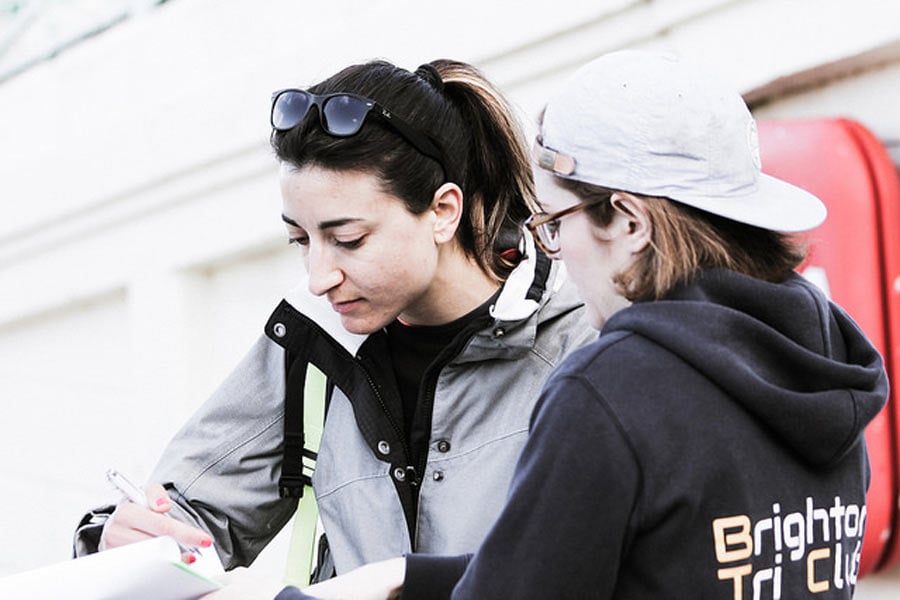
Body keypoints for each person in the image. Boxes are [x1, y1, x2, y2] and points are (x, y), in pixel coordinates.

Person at [260, 50, 889, 599]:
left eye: (556, 224)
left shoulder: (614, 387)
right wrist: (405, 576)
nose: (552, 250)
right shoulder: (822, 364)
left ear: (630, 222)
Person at [72, 58, 596, 583]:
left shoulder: (583, 344)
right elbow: (191, 515)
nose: (319, 276)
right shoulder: (312, 339)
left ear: (442, 211)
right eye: (301, 240)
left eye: (348, 240)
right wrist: (121, 539)